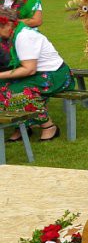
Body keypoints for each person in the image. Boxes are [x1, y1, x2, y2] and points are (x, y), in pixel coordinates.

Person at [0, 7, 71, 142]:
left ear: (8, 24)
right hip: (39, 74)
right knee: (2, 87)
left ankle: (48, 126)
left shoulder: (24, 36)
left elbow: (29, 69)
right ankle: (22, 126)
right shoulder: (14, 33)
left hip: (56, 75)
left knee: (16, 92)